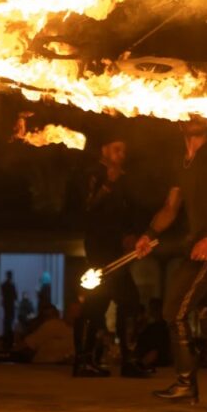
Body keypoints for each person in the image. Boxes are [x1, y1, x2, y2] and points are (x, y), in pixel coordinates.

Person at [134, 114, 207, 412]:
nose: (195, 115)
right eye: (188, 112)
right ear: (179, 121)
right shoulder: (182, 162)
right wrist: (148, 234)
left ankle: (185, 382)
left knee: (174, 310)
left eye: (199, 112)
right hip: (200, 243)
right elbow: (171, 207)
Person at [74, 133, 144, 378]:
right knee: (123, 300)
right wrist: (107, 185)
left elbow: (126, 214)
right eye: (117, 149)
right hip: (99, 247)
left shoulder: (124, 179)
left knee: (104, 302)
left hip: (117, 249)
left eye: (124, 150)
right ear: (104, 150)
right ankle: (121, 361)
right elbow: (87, 207)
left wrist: (132, 235)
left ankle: (92, 361)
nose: (121, 155)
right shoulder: (93, 173)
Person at [1, 270, 17, 348]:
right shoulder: (11, 285)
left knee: (6, 320)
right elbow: (15, 296)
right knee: (9, 320)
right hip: (10, 305)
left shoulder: (3, 285)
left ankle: (6, 334)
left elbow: (2, 294)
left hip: (6, 305)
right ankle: (8, 335)